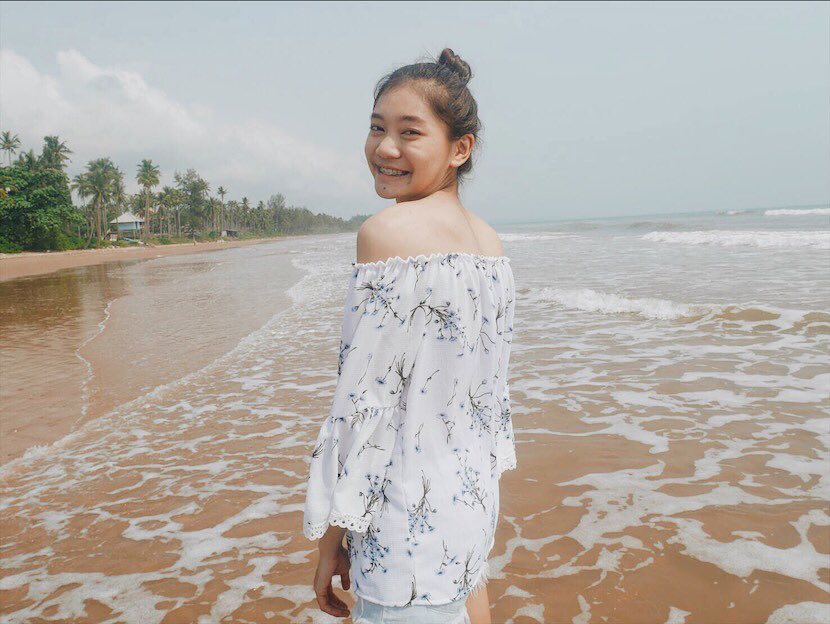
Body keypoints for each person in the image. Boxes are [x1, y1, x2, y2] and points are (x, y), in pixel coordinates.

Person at [302, 48, 516, 624]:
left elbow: (362, 409)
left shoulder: (387, 234)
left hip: (405, 526)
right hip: (469, 507)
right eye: (377, 128)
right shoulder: (489, 244)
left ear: (460, 148)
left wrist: (330, 543)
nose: (385, 148)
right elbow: (488, 398)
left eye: (409, 132)